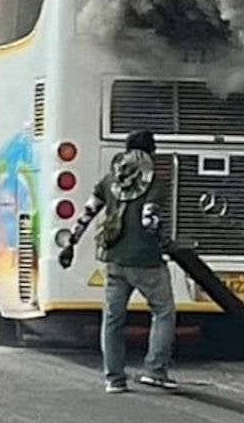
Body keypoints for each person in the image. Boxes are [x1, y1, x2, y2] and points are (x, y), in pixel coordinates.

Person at [59, 130, 177, 394]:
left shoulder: (111, 180)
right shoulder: (155, 183)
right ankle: (155, 370)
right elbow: (149, 219)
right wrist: (163, 239)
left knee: (113, 318)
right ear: (151, 152)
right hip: (146, 262)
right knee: (163, 312)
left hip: (114, 260)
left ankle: (114, 378)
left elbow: (88, 213)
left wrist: (71, 244)